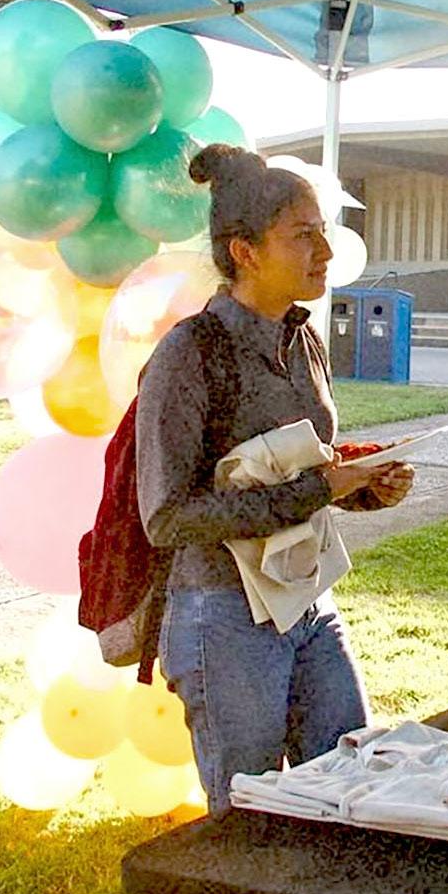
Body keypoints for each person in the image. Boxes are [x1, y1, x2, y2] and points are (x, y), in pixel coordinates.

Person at [136, 143, 412, 814]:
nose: (326, 250)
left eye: (323, 231)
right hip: (223, 615)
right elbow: (167, 517)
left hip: (307, 599)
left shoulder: (304, 338)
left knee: (350, 789)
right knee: (251, 822)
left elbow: (301, 466)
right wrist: (322, 489)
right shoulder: (189, 353)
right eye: (303, 235)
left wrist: (362, 486)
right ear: (245, 252)